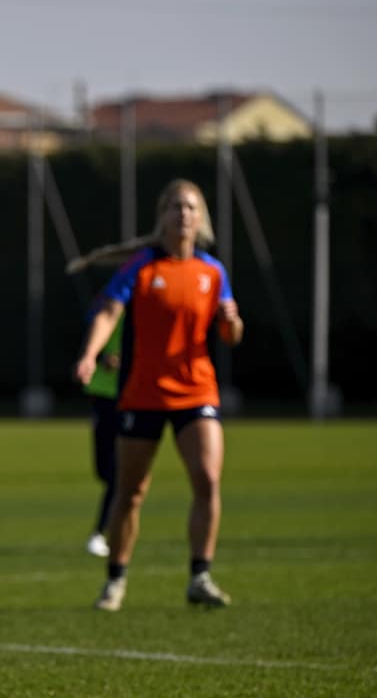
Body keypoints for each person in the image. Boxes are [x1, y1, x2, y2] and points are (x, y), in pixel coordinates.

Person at [73, 179, 244, 612]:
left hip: (197, 392)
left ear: (200, 218)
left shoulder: (213, 272)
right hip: (143, 395)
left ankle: (199, 576)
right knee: (130, 492)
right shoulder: (141, 267)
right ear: (163, 217)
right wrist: (91, 354)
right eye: (175, 207)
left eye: (191, 207)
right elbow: (109, 311)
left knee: (208, 481)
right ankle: (115, 582)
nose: (183, 214)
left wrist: (232, 320)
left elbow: (231, 335)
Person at [80, 306, 122, 558]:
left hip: (132, 397)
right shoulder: (110, 307)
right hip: (103, 395)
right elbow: (95, 319)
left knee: (120, 476)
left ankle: (101, 532)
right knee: (105, 471)